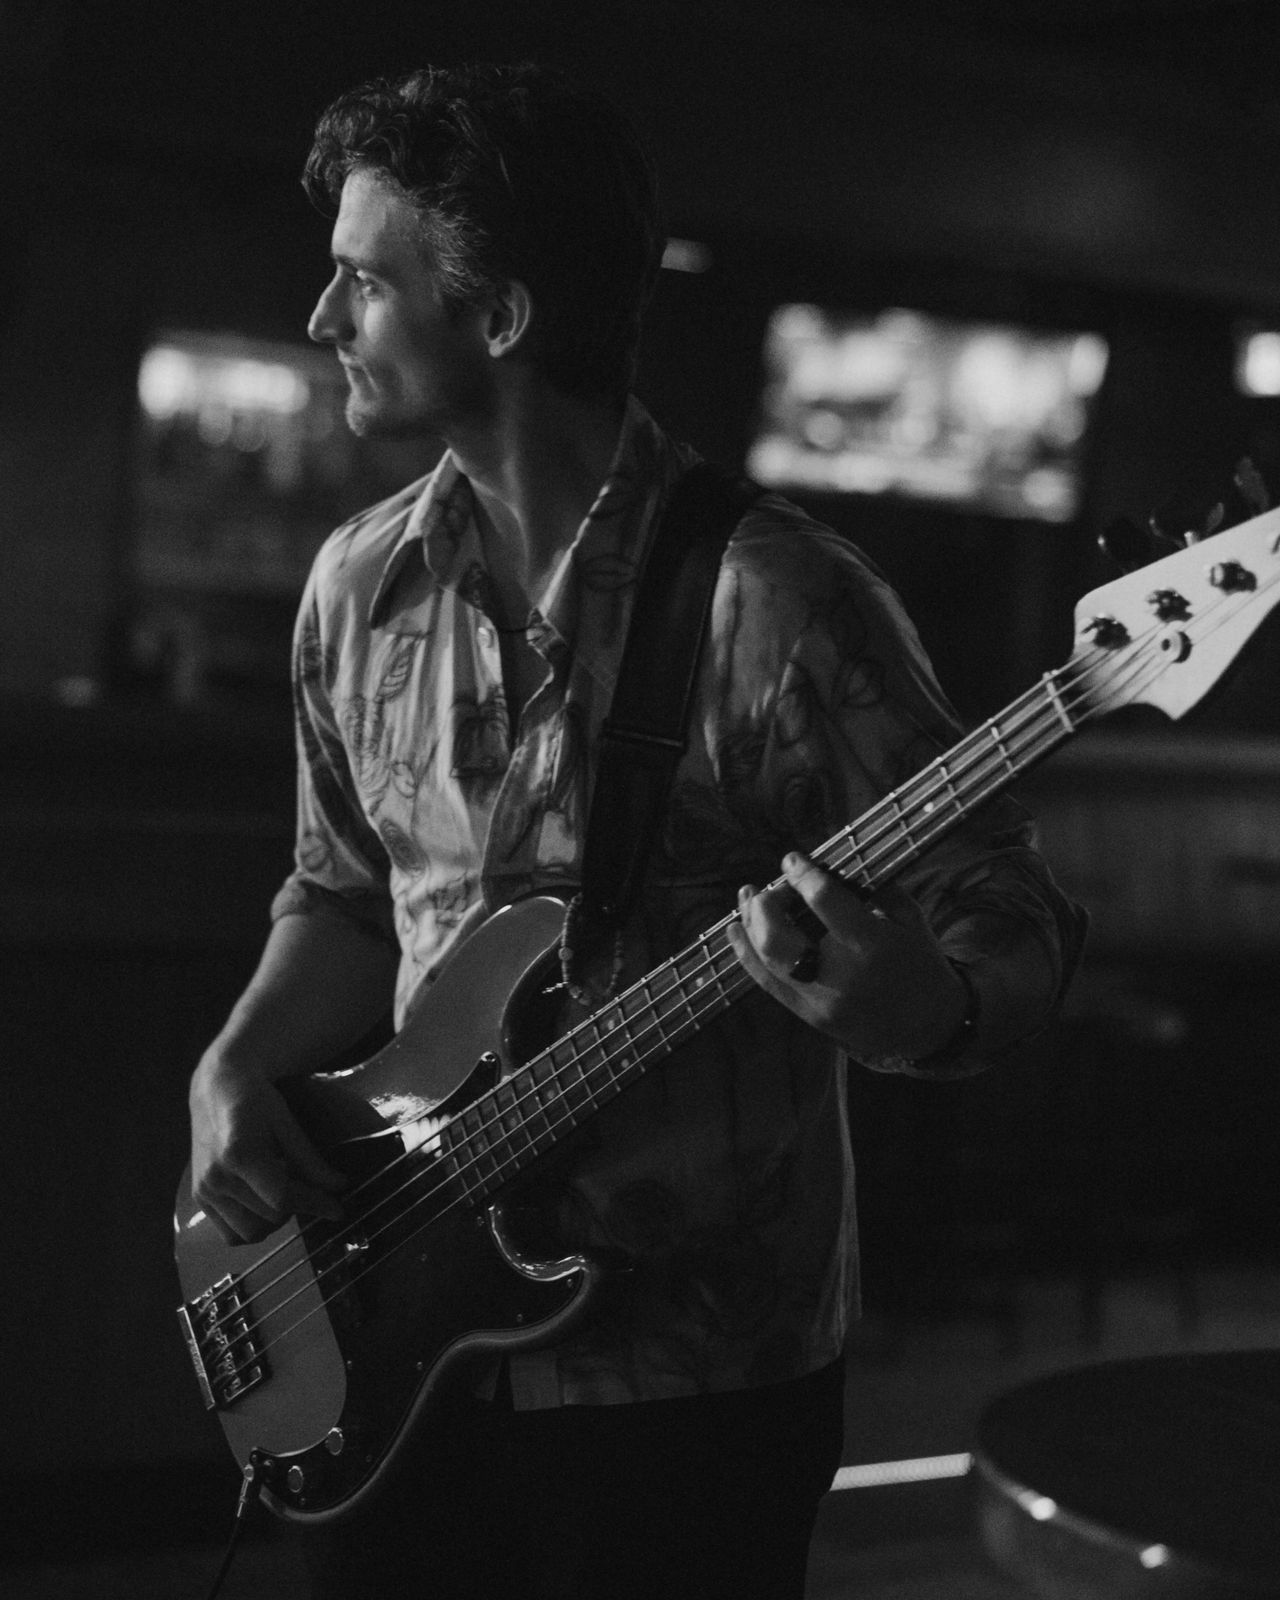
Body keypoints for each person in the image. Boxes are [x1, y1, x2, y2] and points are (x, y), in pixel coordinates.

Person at [188, 61, 1084, 1600]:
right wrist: (234, 1065)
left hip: (694, 1381)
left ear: (499, 316)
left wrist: (918, 1006)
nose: (324, 317)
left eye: (363, 282)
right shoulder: (355, 588)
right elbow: (342, 893)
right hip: (396, 1327)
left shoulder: (778, 602)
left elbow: (1008, 910)